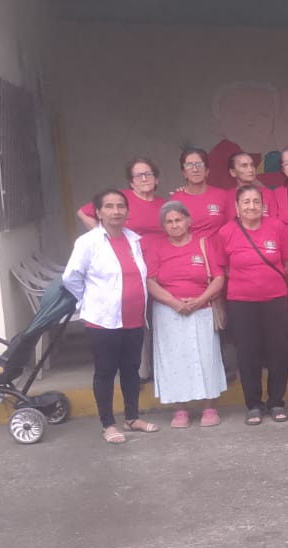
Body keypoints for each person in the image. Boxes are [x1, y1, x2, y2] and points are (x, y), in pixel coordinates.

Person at [61, 189, 156, 444]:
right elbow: (71, 276)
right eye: (109, 206)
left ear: (127, 211)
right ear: (99, 212)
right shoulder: (88, 242)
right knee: (105, 371)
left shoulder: (133, 239)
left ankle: (132, 417)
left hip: (134, 317)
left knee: (131, 370)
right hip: (103, 319)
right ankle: (108, 424)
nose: (116, 211)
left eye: (121, 206)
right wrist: (88, 299)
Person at [144, 201, 227, 428]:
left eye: (178, 220)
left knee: (206, 357)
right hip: (168, 312)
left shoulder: (204, 244)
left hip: (202, 310)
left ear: (189, 221)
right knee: (174, 360)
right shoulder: (157, 247)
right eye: (169, 222)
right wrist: (174, 302)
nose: (174, 225)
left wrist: (200, 300)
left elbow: (219, 277)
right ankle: (180, 410)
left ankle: (209, 407)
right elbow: (150, 281)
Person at [217, 185, 288, 425]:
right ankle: (253, 404)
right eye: (246, 202)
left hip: (275, 299)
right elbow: (225, 268)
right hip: (241, 302)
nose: (251, 206)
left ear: (263, 205)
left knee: (278, 351)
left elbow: (287, 263)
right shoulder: (226, 232)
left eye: (256, 202)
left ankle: (276, 402)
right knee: (247, 352)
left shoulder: (277, 228)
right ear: (237, 207)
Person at [75, 158, 167, 243]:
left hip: (160, 253)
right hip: (129, 253)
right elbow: (83, 212)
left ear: (156, 180)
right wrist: (106, 237)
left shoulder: (165, 205)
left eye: (148, 174)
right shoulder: (119, 198)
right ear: (131, 183)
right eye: (138, 176)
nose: (144, 179)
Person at [170, 148, 232, 239]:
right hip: (189, 247)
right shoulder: (176, 200)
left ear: (207, 171)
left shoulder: (221, 195)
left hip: (218, 246)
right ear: (184, 173)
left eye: (199, 164)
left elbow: (230, 227)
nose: (195, 169)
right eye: (189, 165)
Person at [228, 151, 276, 218]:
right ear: (233, 172)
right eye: (244, 166)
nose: (250, 170)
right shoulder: (226, 197)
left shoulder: (268, 193)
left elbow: (274, 221)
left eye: (252, 165)